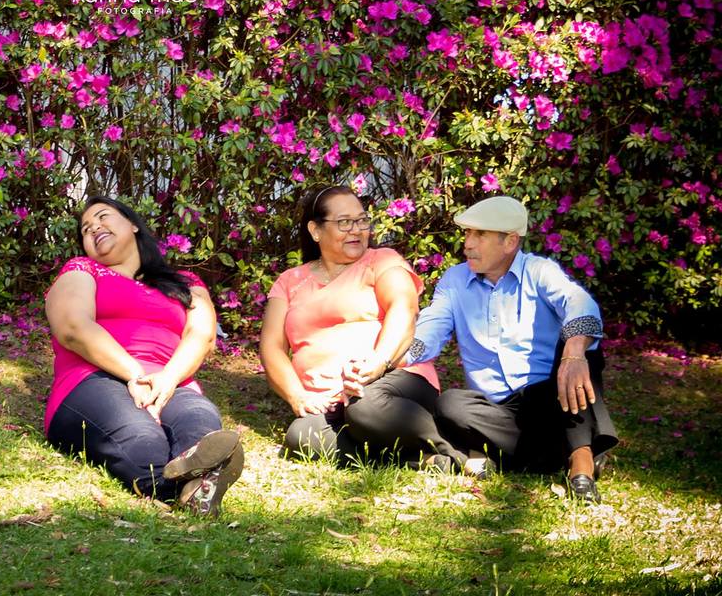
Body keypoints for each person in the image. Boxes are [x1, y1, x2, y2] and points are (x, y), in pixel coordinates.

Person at [405, 196, 618, 502]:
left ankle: (580, 464)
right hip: (499, 414)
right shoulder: (455, 280)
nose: (467, 244)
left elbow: (579, 302)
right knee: (450, 404)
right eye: (467, 233)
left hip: (552, 398)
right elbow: (431, 328)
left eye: (480, 234)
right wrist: (391, 358)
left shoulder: (539, 271)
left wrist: (573, 353)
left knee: (582, 348)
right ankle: (556, 453)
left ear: (510, 242)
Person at [44, 196, 244, 515]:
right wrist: (135, 375)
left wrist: (168, 378)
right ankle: (193, 484)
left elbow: (202, 335)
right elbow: (72, 326)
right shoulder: (81, 269)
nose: (93, 227)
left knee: (199, 420)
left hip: (169, 379)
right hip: (94, 377)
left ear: (133, 224)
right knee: (144, 440)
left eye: (103, 216)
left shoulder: (186, 283)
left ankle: (196, 483)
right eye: (85, 228)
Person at [260, 185, 456, 466]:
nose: (356, 230)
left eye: (362, 220)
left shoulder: (383, 261)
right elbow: (271, 347)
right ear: (315, 231)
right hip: (331, 403)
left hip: (393, 381)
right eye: (344, 222)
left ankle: (453, 450)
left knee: (365, 408)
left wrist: (379, 361)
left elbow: (403, 308)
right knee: (300, 436)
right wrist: (297, 395)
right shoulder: (290, 281)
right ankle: (419, 458)